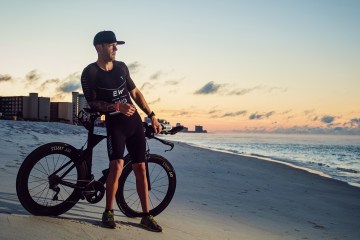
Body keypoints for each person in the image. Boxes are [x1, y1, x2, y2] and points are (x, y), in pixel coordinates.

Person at [80, 30, 163, 232]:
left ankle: (146, 215)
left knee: (140, 168)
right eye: (111, 45)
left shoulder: (121, 67)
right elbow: (93, 103)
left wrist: (152, 114)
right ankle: (108, 212)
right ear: (99, 47)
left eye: (116, 45)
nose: (116, 49)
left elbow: (135, 92)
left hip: (134, 123)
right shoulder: (90, 72)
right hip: (115, 124)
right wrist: (117, 107)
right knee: (116, 165)